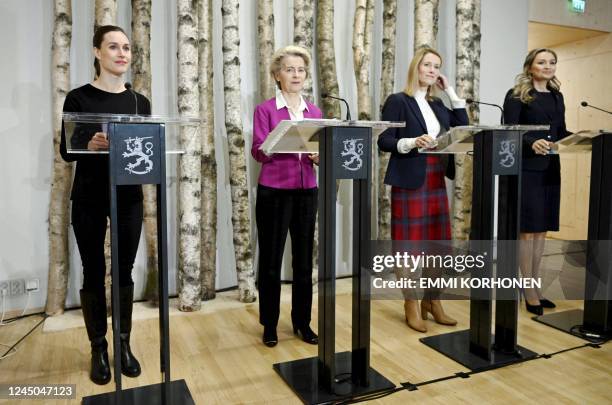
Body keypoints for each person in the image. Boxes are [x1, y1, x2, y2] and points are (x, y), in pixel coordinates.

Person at [60, 25, 151, 384]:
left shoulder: (139, 102)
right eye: (113, 47)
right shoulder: (78, 97)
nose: (122, 53)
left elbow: (147, 145)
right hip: (89, 194)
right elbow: (66, 151)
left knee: (124, 270)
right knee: (93, 269)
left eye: (126, 47)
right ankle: (98, 347)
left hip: (128, 193)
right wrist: (91, 144)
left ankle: (123, 344)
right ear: (97, 52)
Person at [378, 47, 468, 332]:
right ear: (416, 67)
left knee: (438, 246)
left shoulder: (440, 105)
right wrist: (411, 142)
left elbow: (462, 128)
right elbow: (384, 140)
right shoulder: (398, 100)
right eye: (427, 65)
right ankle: (411, 303)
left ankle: (433, 301)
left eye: (436, 66)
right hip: (410, 178)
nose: (432, 70)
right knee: (408, 248)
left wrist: (451, 91)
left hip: (436, 177)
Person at [251, 45, 322, 347]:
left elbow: (319, 150)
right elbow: (257, 151)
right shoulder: (266, 110)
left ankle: (302, 323)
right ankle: (269, 324)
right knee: (270, 261)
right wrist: (271, 145)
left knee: (304, 262)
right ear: (277, 75)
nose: (296, 74)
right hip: (275, 193)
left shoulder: (315, 112)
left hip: (307, 192)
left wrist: (320, 156)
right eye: (289, 69)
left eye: (300, 70)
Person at [503, 48, 570, 315]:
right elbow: (510, 131)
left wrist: (588, 138)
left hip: (551, 167)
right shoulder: (517, 95)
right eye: (542, 62)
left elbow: (561, 131)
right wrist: (532, 142)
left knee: (542, 230)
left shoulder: (557, 96)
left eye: (552, 62)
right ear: (530, 66)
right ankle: (527, 289)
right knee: (528, 231)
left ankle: (534, 285)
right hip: (528, 168)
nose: (548, 66)